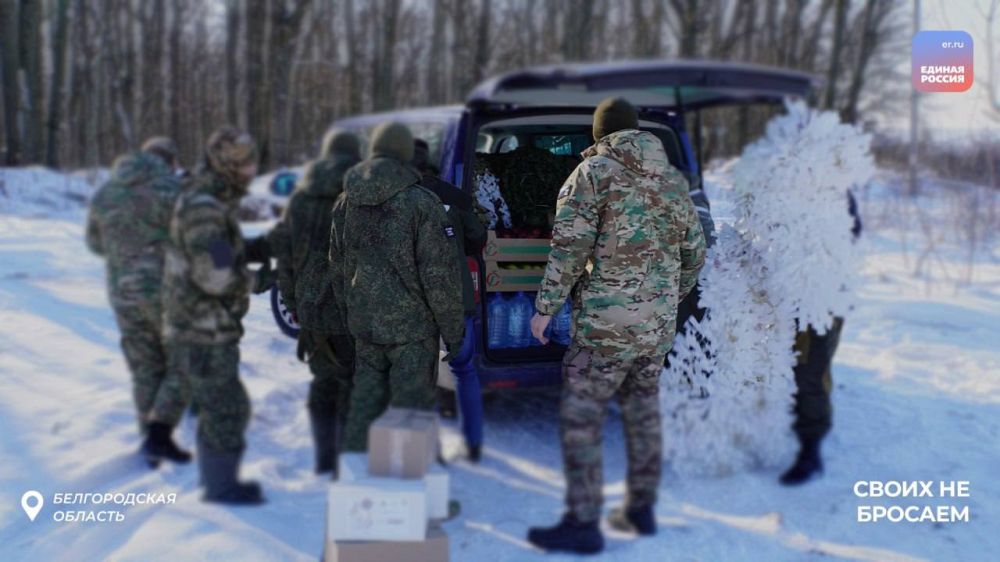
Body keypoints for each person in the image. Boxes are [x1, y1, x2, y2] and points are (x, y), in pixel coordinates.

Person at [526, 97, 706, 554]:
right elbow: (695, 254)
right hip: (655, 327)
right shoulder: (671, 181)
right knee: (643, 411)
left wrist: (545, 308)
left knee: (582, 418)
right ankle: (641, 509)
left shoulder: (592, 175)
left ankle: (583, 523)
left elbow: (568, 249)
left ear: (599, 133)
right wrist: (667, 298)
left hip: (604, 327)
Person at [329, 122, 464, 453]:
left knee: (365, 402)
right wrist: (455, 332)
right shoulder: (422, 202)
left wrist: (350, 313)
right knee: (409, 413)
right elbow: (439, 276)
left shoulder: (346, 201)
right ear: (405, 153)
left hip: (365, 324)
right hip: (412, 331)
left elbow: (337, 264)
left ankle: (357, 482)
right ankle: (404, 492)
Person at [162, 126, 273, 504]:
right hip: (201, 326)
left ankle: (220, 482)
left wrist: (257, 247)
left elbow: (221, 252)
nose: (250, 171)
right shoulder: (204, 208)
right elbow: (216, 274)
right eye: (242, 164)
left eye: (251, 162)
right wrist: (257, 280)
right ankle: (222, 488)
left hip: (208, 323)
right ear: (224, 164)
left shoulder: (211, 200)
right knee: (226, 407)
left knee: (224, 404)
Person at [86, 136, 191, 467]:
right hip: (166, 290)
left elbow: (95, 244)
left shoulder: (106, 193)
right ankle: (160, 434)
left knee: (145, 366)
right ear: (170, 161)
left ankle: (152, 440)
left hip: (123, 292)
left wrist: (125, 255)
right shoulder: (172, 191)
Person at [273, 128, 361, 474]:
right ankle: (350, 462)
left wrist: (294, 302)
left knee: (323, 381)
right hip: (353, 306)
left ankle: (325, 459)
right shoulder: (364, 191)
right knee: (355, 382)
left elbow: (285, 256)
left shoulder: (301, 197)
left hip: (313, 308)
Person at [411, 138, 488, 461]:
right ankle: (473, 443)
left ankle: (433, 453)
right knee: (465, 371)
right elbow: (478, 237)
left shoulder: (394, 199)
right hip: (457, 302)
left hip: (419, 305)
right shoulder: (452, 196)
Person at [780, 192, 862, 485]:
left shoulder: (835, 187)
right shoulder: (779, 182)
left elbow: (849, 234)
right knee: (783, 363)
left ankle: (810, 446)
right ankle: (785, 422)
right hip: (787, 291)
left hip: (824, 295)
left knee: (810, 371)